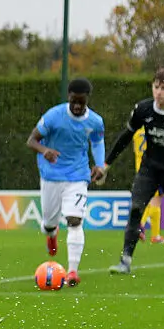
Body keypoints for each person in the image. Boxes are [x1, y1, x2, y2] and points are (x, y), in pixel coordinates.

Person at [103, 67, 164, 274]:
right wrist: (106, 164)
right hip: (150, 169)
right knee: (135, 209)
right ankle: (125, 261)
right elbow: (126, 136)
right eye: (156, 87)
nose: (159, 92)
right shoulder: (143, 109)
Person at [26, 78, 106, 286]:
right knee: (49, 223)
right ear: (68, 98)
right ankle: (51, 234)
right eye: (74, 101)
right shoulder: (53, 116)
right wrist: (45, 151)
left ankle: (72, 272)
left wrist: (99, 165)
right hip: (51, 175)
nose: (77, 106)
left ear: (87, 99)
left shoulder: (95, 121)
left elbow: (97, 142)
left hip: (78, 176)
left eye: (81, 102)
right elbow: (31, 140)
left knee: (75, 219)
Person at [132, 127, 164, 245]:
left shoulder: (136, 133)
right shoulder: (154, 130)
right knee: (154, 201)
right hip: (153, 169)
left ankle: (155, 235)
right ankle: (140, 226)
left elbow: (135, 150)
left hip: (140, 170)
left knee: (156, 201)